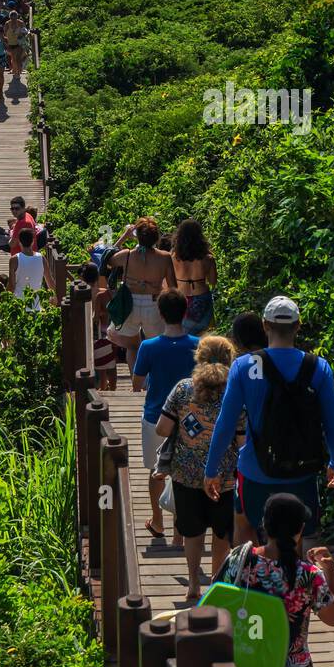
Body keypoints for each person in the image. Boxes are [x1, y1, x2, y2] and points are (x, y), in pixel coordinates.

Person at [203, 295, 334, 546]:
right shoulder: (318, 367)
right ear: (298, 326)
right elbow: (331, 421)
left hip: (255, 469)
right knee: (296, 533)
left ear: (265, 326)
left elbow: (226, 423)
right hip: (302, 469)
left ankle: (252, 579)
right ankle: (292, 580)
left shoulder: (244, 366)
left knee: (244, 523)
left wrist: (211, 469)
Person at [215, 493, 334, 667]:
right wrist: (330, 571)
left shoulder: (241, 560)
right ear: (299, 531)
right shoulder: (308, 576)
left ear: (265, 525)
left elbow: (215, 601)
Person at [156, 335, 242, 600]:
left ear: (199, 357)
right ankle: (217, 583)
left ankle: (193, 582)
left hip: (185, 474)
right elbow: (241, 441)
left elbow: (162, 428)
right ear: (231, 359)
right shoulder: (235, 393)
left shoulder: (182, 389)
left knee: (192, 532)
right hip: (224, 477)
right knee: (221, 533)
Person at [131, 288, 198, 539]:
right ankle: (180, 529)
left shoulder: (148, 346)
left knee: (156, 470)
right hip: (190, 418)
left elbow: (137, 383)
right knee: (183, 472)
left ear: (160, 313)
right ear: (185, 312)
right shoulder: (197, 345)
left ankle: (158, 521)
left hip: (155, 416)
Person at [105, 217, 177, 371]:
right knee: (157, 346)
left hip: (130, 305)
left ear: (138, 236)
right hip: (154, 304)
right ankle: (153, 381)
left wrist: (124, 237)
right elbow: (173, 287)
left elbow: (108, 258)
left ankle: (136, 384)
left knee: (132, 346)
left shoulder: (127, 255)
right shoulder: (164, 257)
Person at [171, 217, 217, 333]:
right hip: (202, 298)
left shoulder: (173, 258)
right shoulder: (208, 259)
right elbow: (213, 282)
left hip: (181, 300)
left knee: (182, 334)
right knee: (202, 336)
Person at [8, 227, 55, 310]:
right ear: (33, 241)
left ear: (19, 241)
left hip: (19, 305)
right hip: (36, 304)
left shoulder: (14, 260)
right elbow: (50, 282)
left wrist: (5, 301)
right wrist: (54, 298)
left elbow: (12, 285)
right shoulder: (41, 258)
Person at [3, 9, 29, 81]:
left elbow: (25, 31)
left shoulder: (20, 23)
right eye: (12, 18)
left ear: (17, 17)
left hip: (19, 43)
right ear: (10, 17)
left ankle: (18, 72)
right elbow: (4, 34)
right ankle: (15, 70)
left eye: (15, 17)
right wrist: (5, 43)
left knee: (18, 58)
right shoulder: (7, 24)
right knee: (13, 59)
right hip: (11, 43)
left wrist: (22, 34)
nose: (14, 19)